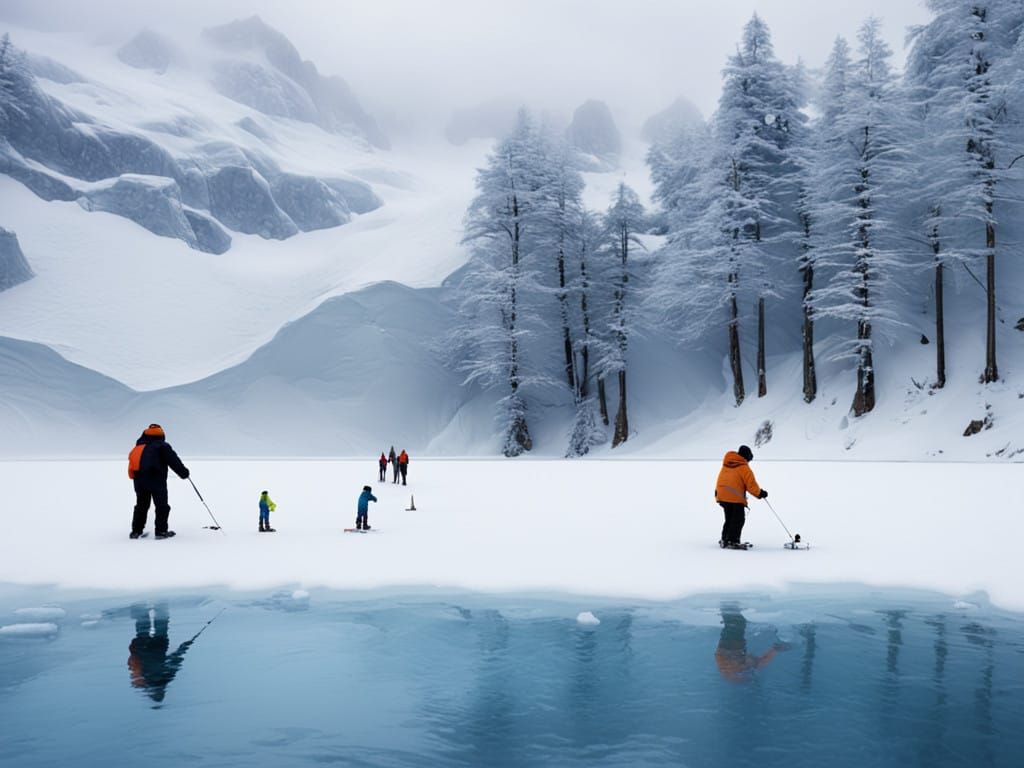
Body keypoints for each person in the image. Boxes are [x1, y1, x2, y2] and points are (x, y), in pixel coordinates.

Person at [128, 424, 189, 540]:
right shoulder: (162, 446)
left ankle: (136, 531)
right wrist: (184, 473)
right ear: (161, 434)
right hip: (156, 481)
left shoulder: (139, 447)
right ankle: (161, 531)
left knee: (141, 505)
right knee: (162, 506)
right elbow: (173, 461)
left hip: (139, 481)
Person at [714, 603, 790, 683]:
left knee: (736, 625)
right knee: (736, 626)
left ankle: (728, 609)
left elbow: (762, 661)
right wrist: (775, 649)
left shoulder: (740, 672)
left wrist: (776, 649)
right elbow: (762, 661)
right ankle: (728, 613)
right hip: (729, 650)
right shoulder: (745, 670)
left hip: (730, 650)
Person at [714, 444, 766, 548]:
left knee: (729, 518)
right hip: (734, 496)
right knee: (738, 519)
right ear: (746, 456)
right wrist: (760, 493)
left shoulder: (727, 463)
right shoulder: (743, 467)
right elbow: (751, 485)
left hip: (721, 494)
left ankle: (725, 539)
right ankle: (733, 541)